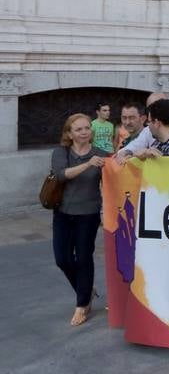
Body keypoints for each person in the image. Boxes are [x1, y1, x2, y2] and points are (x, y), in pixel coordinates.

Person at [51, 114, 106, 326]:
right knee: (62, 259)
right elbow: (61, 175)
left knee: (83, 258)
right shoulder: (61, 152)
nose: (84, 132)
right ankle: (87, 290)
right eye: (78, 129)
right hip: (63, 213)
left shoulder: (101, 154)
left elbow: (114, 176)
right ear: (69, 133)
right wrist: (88, 164)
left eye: (87, 128)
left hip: (88, 214)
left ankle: (82, 304)